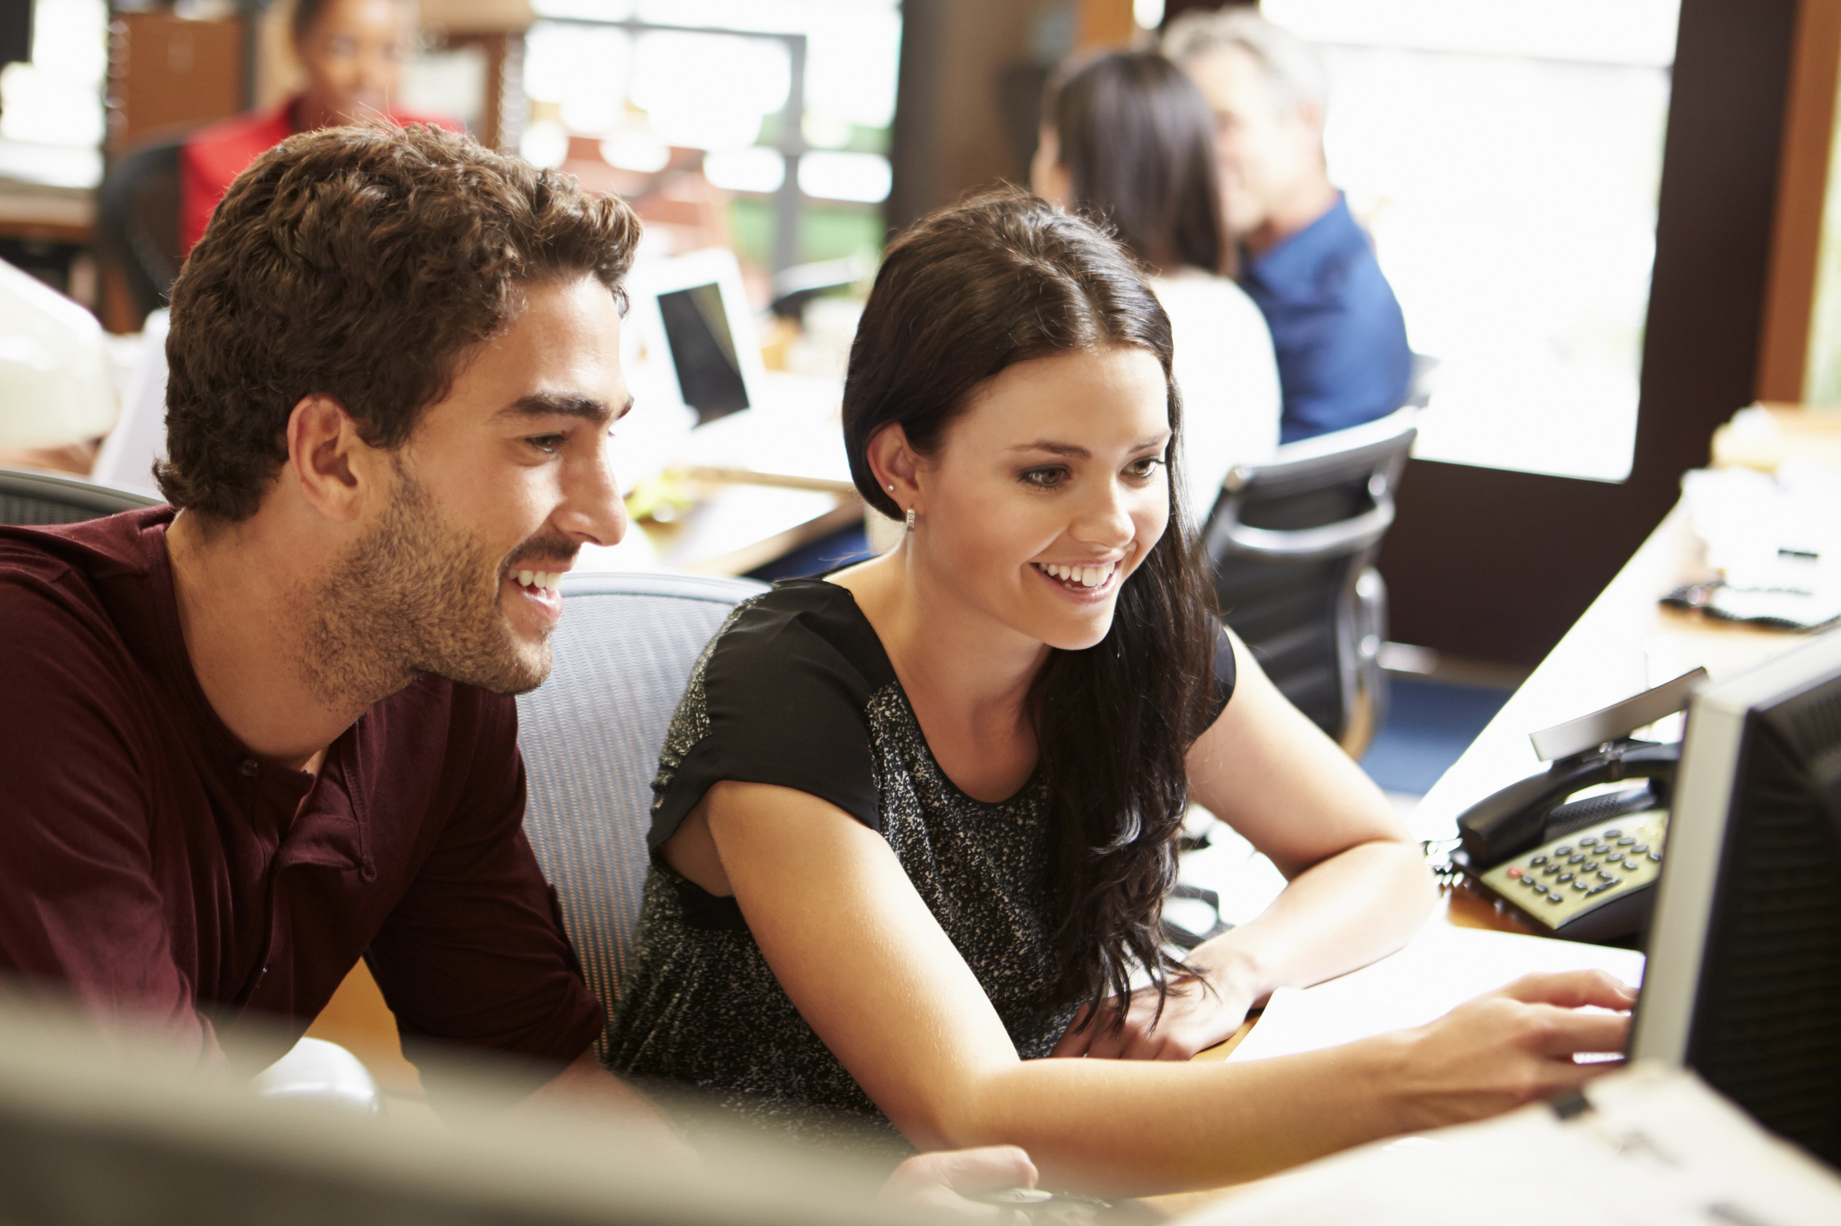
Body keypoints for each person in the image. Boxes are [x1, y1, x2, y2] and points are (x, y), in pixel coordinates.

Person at [0, 121, 1033, 1212]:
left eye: (606, 436)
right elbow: (144, 1184)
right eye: (542, 440)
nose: (607, 514)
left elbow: (538, 1096)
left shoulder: (431, 693)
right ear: (331, 455)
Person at [606, 191, 1634, 1196]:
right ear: (901, 467)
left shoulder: (1135, 633)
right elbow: (973, 1109)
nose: (1113, 527)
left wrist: (1234, 969)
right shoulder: (789, 690)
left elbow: (1376, 856)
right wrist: (1409, 1078)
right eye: (1047, 475)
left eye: (1141, 465)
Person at [1030, 49, 1279, 519]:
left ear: (1066, 173)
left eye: (1045, 146)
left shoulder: (1080, 327)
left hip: (1102, 579)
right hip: (1194, 585)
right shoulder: (1238, 312)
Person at [1161, 8, 1412, 443]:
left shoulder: (1341, 311)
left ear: (1305, 120)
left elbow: (1280, 506)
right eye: (1189, 130)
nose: (1198, 154)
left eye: (1225, 124)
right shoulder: (1233, 260)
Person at [179, 0, 449, 254]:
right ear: (298, 41)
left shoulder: (435, 148)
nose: (368, 75)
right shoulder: (222, 161)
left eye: (391, 51)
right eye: (343, 48)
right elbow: (217, 286)